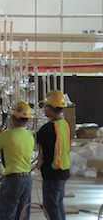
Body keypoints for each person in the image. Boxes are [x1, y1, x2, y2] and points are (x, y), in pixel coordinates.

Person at [0, 101, 35, 220]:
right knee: (22, 214)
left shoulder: (5, 136)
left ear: (13, 119)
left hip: (12, 180)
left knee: (6, 212)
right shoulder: (30, 136)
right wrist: (0, 134)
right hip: (27, 179)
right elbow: (14, 141)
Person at [36, 90, 71, 220]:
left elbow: (33, 140)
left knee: (51, 206)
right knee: (57, 204)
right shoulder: (64, 124)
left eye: (45, 106)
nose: (44, 109)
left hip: (52, 172)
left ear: (51, 108)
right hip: (63, 170)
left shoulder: (48, 128)